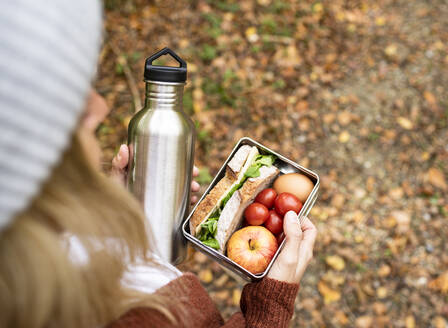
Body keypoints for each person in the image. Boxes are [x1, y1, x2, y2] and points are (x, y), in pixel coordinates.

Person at [0, 1, 317, 328]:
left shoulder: (38, 256)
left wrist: (113, 218)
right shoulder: (147, 318)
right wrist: (272, 304)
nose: (101, 106)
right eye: (71, 99)